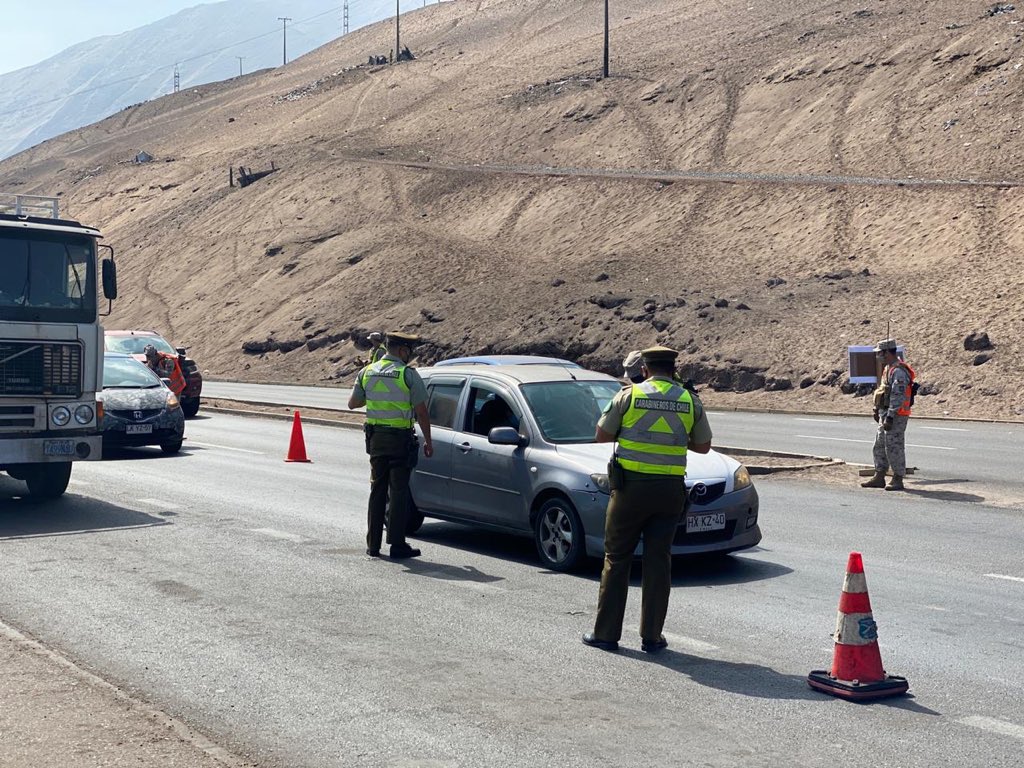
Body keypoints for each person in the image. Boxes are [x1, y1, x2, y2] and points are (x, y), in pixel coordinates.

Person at [582, 346, 712, 653]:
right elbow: (704, 446)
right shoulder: (688, 400)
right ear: (673, 368)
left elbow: (601, 434)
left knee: (616, 559)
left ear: (644, 369)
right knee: (658, 562)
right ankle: (652, 637)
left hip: (630, 490)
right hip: (669, 492)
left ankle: (606, 634)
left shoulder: (630, 396)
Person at [348, 331, 434, 559]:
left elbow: (353, 403)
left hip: (376, 439)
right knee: (398, 492)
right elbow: (422, 412)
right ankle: (397, 545)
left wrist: (376, 393)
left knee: (377, 490)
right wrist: (428, 441)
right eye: (409, 352)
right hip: (400, 440)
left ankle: (373, 545)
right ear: (403, 350)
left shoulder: (366, 372)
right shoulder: (407, 375)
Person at [862, 338, 916, 491]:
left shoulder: (898, 371)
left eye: (880, 353)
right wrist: (878, 410)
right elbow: (884, 391)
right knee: (879, 445)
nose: (878, 356)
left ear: (887, 353)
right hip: (885, 413)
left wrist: (891, 416)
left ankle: (898, 478)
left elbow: (898, 396)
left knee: (894, 447)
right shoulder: (888, 369)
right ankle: (880, 475)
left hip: (896, 415)